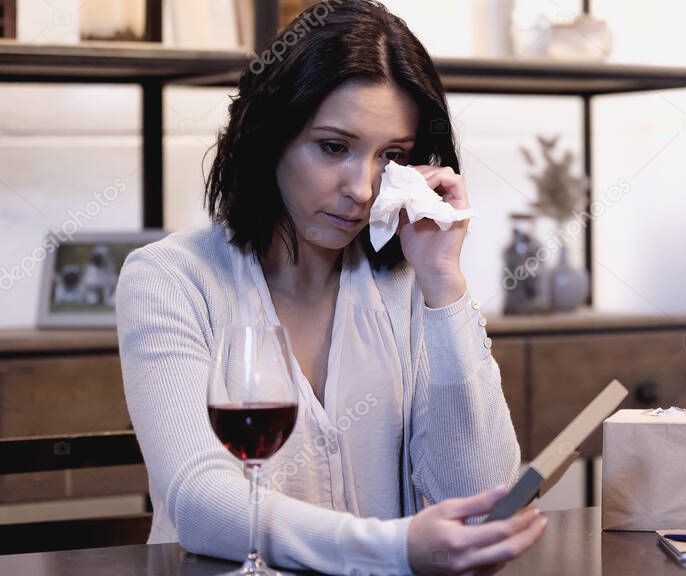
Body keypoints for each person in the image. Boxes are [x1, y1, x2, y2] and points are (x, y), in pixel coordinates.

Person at [115, 1, 546, 574]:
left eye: (391, 156)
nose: (363, 189)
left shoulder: (405, 283)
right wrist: (391, 548)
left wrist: (444, 283)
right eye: (334, 147)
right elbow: (199, 502)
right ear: (271, 137)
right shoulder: (171, 279)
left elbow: (475, 508)